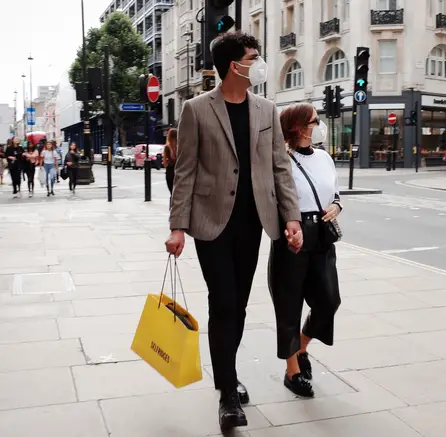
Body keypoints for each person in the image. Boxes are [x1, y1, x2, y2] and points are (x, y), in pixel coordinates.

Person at [164, 31, 302, 432]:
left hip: (253, 223)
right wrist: (178, 226)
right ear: (233, 65)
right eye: (253, 56)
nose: (259, 62)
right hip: (211, 223)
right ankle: (227, 392)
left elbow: (280, 169)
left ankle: (228, 371)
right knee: (223, 303)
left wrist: (290, 218)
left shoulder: (267, 110)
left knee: (238, 306)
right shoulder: (196, 109)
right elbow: (185, 170)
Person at [268, 103, 342, 398]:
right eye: (314, 121)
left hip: (322, 237)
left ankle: (301, 347)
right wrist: (288, 227)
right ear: (299, 127)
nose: (319, 124)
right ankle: (291, 372)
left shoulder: (324, 157)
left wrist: (337, 205)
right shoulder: (281, 159)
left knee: (329, 301)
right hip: (293, 239)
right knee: (288, 307)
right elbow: (274, 199)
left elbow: (334, 193)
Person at [163, 128, 177, 197]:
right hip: (178, 170)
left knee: (172, 193)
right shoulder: (180, 146)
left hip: (170, 171)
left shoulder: (167, 147)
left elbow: (164, 163)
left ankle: (172, 207)